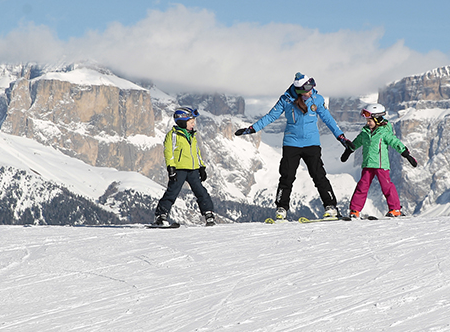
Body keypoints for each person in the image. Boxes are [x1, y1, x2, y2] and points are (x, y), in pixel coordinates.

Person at [235, 72, 352, 220]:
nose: (311, 92)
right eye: (307, 90)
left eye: (311, 88)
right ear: (299, 91)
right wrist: (253, 129)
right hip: (291, 143)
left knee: (319, 176)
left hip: (312, 144)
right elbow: (271, 116)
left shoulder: (317, 99)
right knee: (287, 177)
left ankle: (331, 207)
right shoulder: (286, 99)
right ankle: (281, 208)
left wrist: (341, 137)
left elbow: (328, 120)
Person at [340, 103, 418, 218]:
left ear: (377, 119)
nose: (367, 123)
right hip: (367, 164)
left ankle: (395, 209)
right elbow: (356, 142)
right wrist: (349, 150)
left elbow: (395, 143)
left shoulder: (384, 132)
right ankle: (354, 211)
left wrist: (406, 154)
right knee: (362, 186)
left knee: (386, 186)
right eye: (367, 120)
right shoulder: (365, 132)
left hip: (381, 164)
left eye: (370, 120)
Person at [154, 107, 216, 227]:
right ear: (182, 121)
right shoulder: (173, 135)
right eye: (191, 122)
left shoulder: (192, 135)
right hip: (179, 169)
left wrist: (201, 167)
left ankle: (209, 214)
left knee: (201, 192)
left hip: (193, 169)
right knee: (172, 192)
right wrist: (171, 168)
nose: (194, 124)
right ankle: (161, 216)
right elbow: (168, 151)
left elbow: (196, 152)